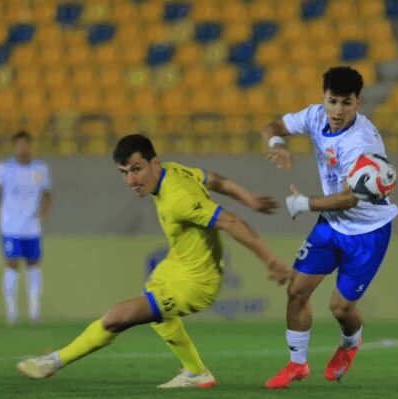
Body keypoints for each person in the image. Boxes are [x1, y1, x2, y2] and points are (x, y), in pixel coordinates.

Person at [16, 134, 293, 388]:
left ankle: (52, 362)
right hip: (176, 266)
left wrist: (270, 260)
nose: (131, 180)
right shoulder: (172, 170)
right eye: (124, 173)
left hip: (196, 283)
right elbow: (213, 179)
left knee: (117, 317)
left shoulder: (178, 198)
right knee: (154, 311)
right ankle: (196, 372)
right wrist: (249, 198)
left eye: (136, 169)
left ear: (154, 163)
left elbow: (230, 221)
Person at [260, 66, 398, 389]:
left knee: (339, 307)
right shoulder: (314, 116)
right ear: (323, 98)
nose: (337, 111)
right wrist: (278, 144)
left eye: (345, 103)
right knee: (296, 290)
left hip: (367, 231)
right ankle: (297, 364)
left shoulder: (361, 143)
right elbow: (273, 126)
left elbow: (349, 199)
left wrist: (304, 204)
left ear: (358, 103)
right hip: (331, 226)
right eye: (332, 101)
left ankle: (350, 344)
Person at [0, 130, 52, 325]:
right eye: (19, 144)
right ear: (14, 146)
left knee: (33, 265)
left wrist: (43, 215)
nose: (23, 147)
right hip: (11, 227)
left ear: (31, 145)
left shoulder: (41, 169)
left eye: (26, 144)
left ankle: (34, 312)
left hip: (32, 227)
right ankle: (12, 313)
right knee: (12, 265)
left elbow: (48, 194)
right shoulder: (4, 168)